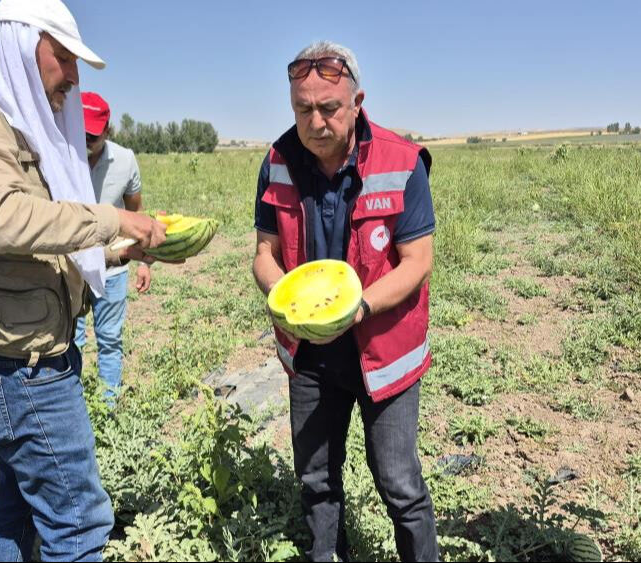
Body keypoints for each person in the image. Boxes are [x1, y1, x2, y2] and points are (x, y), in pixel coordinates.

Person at [0, 0, 168, 560]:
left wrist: (122, 252)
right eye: (64, 56)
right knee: (78, 520)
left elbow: (31, 252)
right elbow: (1, 220)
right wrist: (112, 218)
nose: (73, 76)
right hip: (18, 366)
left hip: (18, 358)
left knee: (20, 504)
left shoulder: (8, 123)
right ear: (20, 44)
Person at [252, 41, 439, 562]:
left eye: (329, 108)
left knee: (400, 485)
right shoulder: (277, 161)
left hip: (383, 351)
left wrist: (356, 311)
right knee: (315, 479)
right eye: (302, 108)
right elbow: (264, 256)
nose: (315, 122)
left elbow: (416, 262)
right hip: (310, 353)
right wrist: (282, 301)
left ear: (357, 101)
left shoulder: (401, 162)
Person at [74, 92, 151, 401]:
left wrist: (145, 261)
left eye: (93, 134)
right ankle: (73, 408)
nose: (86, 140)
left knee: (109, 339)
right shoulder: (60, 156)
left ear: (107, 131)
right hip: (72, 265)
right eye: (80, 133)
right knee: (70, 342)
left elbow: (135, 214)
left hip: (113, 266)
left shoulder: (124, 160)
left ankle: (109, 408)